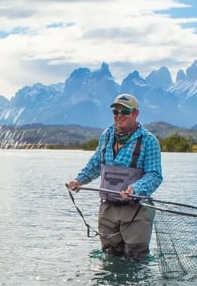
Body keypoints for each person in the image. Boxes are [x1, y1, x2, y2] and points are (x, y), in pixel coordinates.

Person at [67, 93, 162, 260]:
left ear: (135, 114)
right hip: (108, 209)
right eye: (115, 112)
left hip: (136, 210)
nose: (119, 116)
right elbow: (95, 164)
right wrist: (79, 180)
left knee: (136, 259)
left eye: (124, 112)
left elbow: (155, 175)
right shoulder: (106, 136)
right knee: (109, 256)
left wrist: (135, 189)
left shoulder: (149, 141)